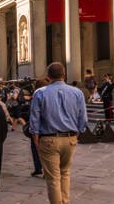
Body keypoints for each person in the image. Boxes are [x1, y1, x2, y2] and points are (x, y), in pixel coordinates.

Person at [30, 62, 87, 204]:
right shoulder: (77, 92)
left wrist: (36, 137)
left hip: (48, 139)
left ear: (48, 76)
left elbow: (34, 119)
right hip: (70, 138)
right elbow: (83, 118)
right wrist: (77, 134)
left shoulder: (40, 93)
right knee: (65, 173)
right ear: (64, 75)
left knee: (53, 179)